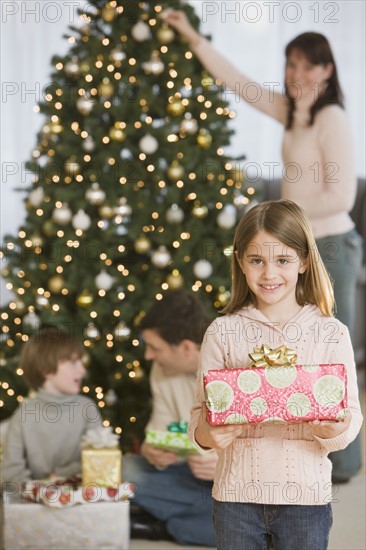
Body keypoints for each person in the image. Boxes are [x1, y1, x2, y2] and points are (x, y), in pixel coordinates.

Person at [164, 10, 364, 483]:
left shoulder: (331, 117)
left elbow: (343, 196)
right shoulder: (295, 112)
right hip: (300, 240)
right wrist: (192, 37)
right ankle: (299, 442)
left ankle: (344, 462)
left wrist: (281, 217)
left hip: (330, 242)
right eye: (291, 65)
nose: (298, 75)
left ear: (328, 71)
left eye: (309, 67)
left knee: (332, 352)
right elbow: (240, 84)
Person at [187, 199, 363, 550]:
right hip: (236, 495)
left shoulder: (331, 334)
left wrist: (336, 429)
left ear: (304, 261)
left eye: (282, 260)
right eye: (257, 260)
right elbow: (198, 418)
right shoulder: (222, 333)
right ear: (240, 261)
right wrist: (208, 435)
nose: (269, 274)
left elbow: (352, 416)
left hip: (306, 498)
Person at [123, 290, 217, 547]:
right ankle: (189, 519)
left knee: (261, 520)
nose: (148, 356)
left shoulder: (237, 366)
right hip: (186, 475)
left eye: (155, 348)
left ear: (186, 347)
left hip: (238, 486)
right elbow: (159, 432)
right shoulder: (162, 370)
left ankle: (164, 524)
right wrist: (153, 451)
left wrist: (224, 466)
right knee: (122, 470)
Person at [2, 326, 102, 484]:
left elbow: (99, 462)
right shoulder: (23, 415)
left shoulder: (87, 409)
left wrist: (58, 477)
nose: (82, 371)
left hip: (81, 499)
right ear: (46, 369)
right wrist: (37, 490)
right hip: (35, 502)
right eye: (73, 363)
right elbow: (11, 473)